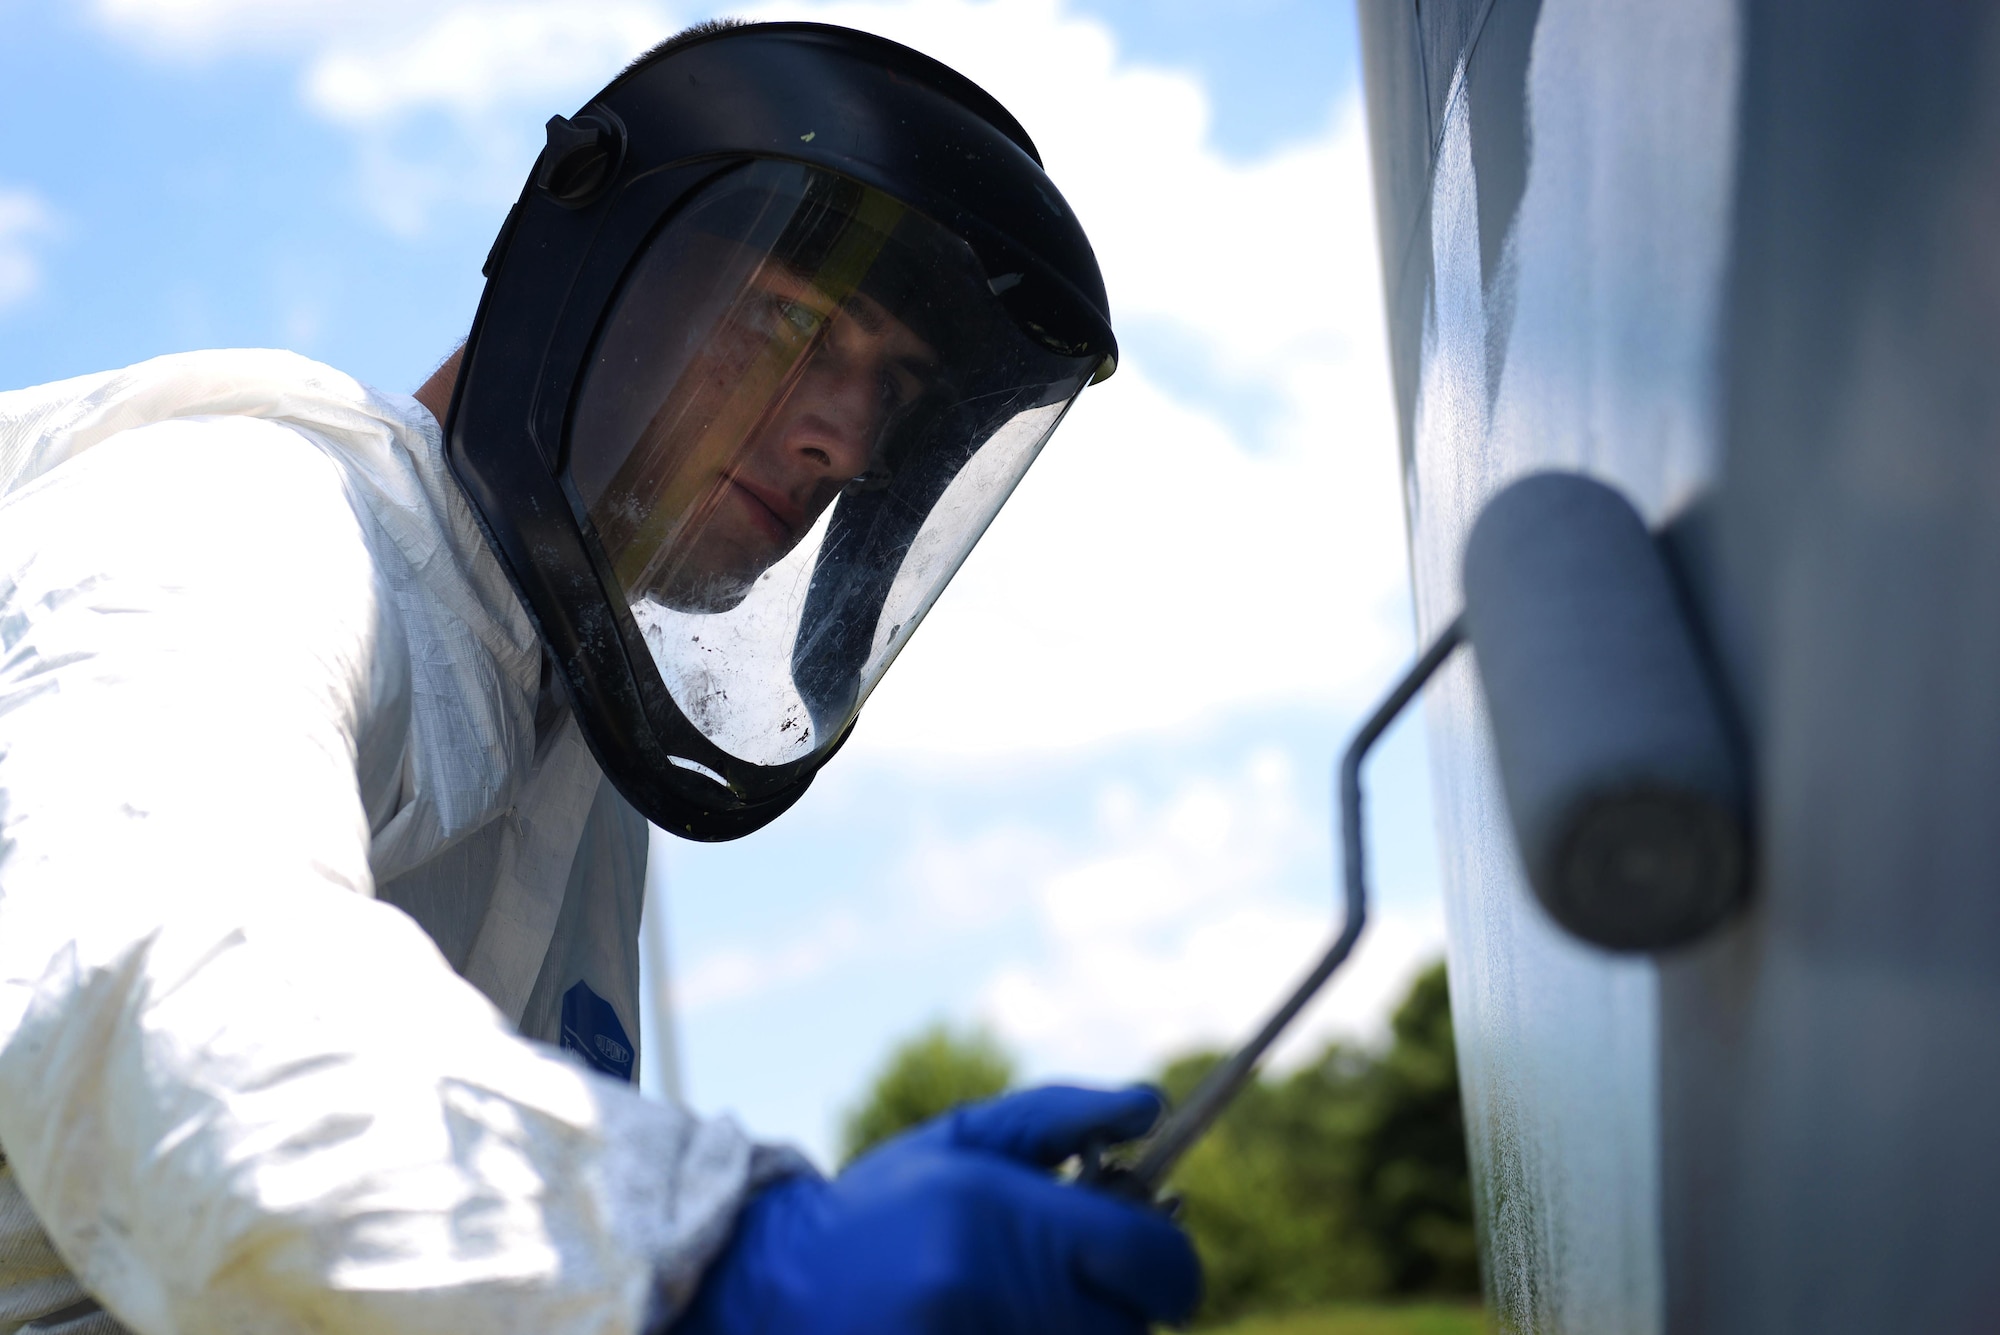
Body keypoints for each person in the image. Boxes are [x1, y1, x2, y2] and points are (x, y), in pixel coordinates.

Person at [0, 18, 1199, 1335]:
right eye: (790, 323)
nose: (842, 442)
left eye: (895, 394)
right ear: (591, 277)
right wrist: (722, 1252)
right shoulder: (236, 518)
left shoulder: (571, 740)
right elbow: (157, 1008)